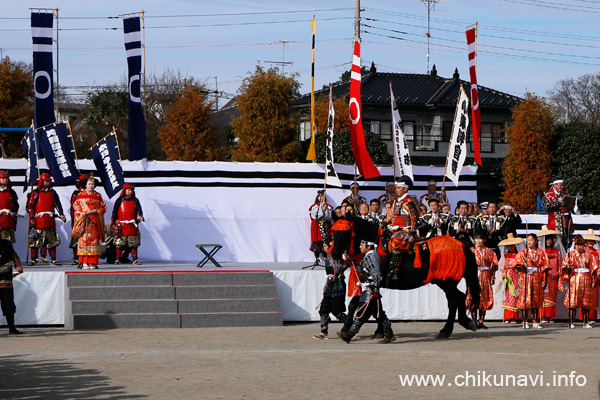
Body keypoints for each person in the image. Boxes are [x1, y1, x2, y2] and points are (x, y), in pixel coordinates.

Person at [337, 240, 395, 344]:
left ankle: (349, 334)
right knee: (379, 314)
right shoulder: (370, 256)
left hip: (370, 290)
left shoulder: (372, 256)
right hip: (369, 289)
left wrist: (375, 289)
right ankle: (389, 334)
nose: (360, 247)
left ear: (368, 247)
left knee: (361, 313)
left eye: (362, 245)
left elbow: (376, 273)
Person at [26, 173, 66, 266]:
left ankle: (53, 260)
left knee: (52, 240)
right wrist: (31, 218)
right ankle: (34, 259)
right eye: (45, 181)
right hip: (38, 220)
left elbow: (57, 204)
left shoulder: (53, 193)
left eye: (49, 181)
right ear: (41, 181)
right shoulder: (35, 193)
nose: (47, 182)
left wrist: (61, 214)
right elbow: (30, 206)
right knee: (35, 240)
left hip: (50, 220)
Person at [561, 235, 597, 329]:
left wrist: (593, 280)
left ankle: (586, 321)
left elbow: (594, 268)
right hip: (575, 279)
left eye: (582, 245)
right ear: (575, 245)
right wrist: (568, 268)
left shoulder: (589, 255)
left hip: (586, 279)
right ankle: (571, 321)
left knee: (586, 300)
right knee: (573, 299)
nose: (580, 247)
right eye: (578, 245)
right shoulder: (570, 255)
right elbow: (564, 268)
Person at [71, 177, 107, 270]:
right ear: (86, 185)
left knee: (94, 242)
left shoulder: (98, 195)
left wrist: (98, 211)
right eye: (89, 184)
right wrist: (83, 214)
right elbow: (76, 207)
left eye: (93, 184)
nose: (91, 186)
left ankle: (92, 262)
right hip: (85, 222)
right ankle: (84, 262)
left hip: (94, 222)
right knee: (84, 242)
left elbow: (103, 207)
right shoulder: (80, 195)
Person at [313, 243, 347, 340]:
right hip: (329, 286)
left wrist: (337, 274)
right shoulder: (329, 258)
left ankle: (351, 327)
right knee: (323, 309)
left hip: (337, 286)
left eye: (325, 246)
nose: (324, 248)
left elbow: (343, 266)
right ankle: (324, 332)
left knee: (337, 311)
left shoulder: (338, 259)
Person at [515, 233, 549, 329]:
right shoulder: (522, 252)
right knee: (525, 299)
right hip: (526, 277)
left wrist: (544, 280)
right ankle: (525, 321)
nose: (529, 242)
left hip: (536, 277)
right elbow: (516, 264)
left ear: (536, 241)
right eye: (528, 240)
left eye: (531, 240)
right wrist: (522, 266)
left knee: (536, 299)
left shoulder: (541, 253)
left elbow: (545, 267)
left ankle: (535, 321)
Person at [466, 234, 498, 329]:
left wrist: (492, 277)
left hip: (485, 276)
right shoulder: (471, 251)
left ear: (484, 240)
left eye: (480, 239)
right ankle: (474, 320)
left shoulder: (489, 251)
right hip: (475, 276)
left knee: (484, 298)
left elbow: (493, 265)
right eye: (476, 239)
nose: (478, 241)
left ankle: (481, 320)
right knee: (473, 297)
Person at [112, 183, 145, 265]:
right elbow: (115, 212)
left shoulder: (135, 200)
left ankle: (135, 259)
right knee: (119, 243)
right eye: (128, 190)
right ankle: (118, 259)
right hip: (121, 225)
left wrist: (141, 216)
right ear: (124, 191)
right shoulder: (119, 200)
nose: (130, 191)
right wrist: (113, 223)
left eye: (131, 190)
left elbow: (139, 209)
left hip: (132, 225)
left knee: (133, 243)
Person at [537, 225, 565, 323]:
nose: (548, 242)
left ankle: (550, 316)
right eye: (547, 240)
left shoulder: (556, 251)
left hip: (554, 276)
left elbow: (559, 262)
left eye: (550, 240)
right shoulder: (540, 251)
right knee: (544, 296)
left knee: (552, 296)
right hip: (544, 276)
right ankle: (543, 316)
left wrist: (559, 273)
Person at [498, 234, 525, 324]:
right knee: (507, 298)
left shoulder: (519, 255)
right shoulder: (505, 256)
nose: (510, 247)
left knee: (514, 297)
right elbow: (500, 266)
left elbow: (520, 266)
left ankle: (514, 317)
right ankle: (507, 317)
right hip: (507, 278)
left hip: (515, 277)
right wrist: (504, 270)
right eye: (509, 245)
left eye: (512, 245)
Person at [0, 238, 23, 334]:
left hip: (6, 280)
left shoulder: (6, 244)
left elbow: (14, 256)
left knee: (9, 305)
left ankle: (12, 327)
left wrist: (18, 265)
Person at [542, 176, 573, 247]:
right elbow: (546, 207)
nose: (562, 187)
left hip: (565, 221)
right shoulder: (548, 195)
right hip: (555, 222)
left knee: (566, 242)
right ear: (555, 185)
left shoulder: (565, 194)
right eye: (560, 185)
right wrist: (557, 204)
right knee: (555, 242)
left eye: (562, 185)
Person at [69, 175, 88, 266]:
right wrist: (74, 221)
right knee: (76, 240)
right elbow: (73, 208)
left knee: (88, 240)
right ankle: (76, 258)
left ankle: (87, 258)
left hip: (89, 221)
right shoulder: (76, 194)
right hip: (78, 220)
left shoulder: (93, 193)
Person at [582, 229, 600, 322]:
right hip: (584, 275)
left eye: (592, 241)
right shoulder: (583, 252)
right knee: (584, 295)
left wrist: (598, 273)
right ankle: (584, 317)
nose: (591, 242)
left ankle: (592, 316)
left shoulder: (596, 252)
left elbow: (598, 264)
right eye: (589, 240)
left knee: (593, 296)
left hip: (594, 276)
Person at [0, 171, 19, 243]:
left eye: (6, 178)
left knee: (7, 241)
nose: (5, 180)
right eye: (3, 178)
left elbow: (16, 205)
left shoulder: (11, 192)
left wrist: (13, 212)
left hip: (8, 219)